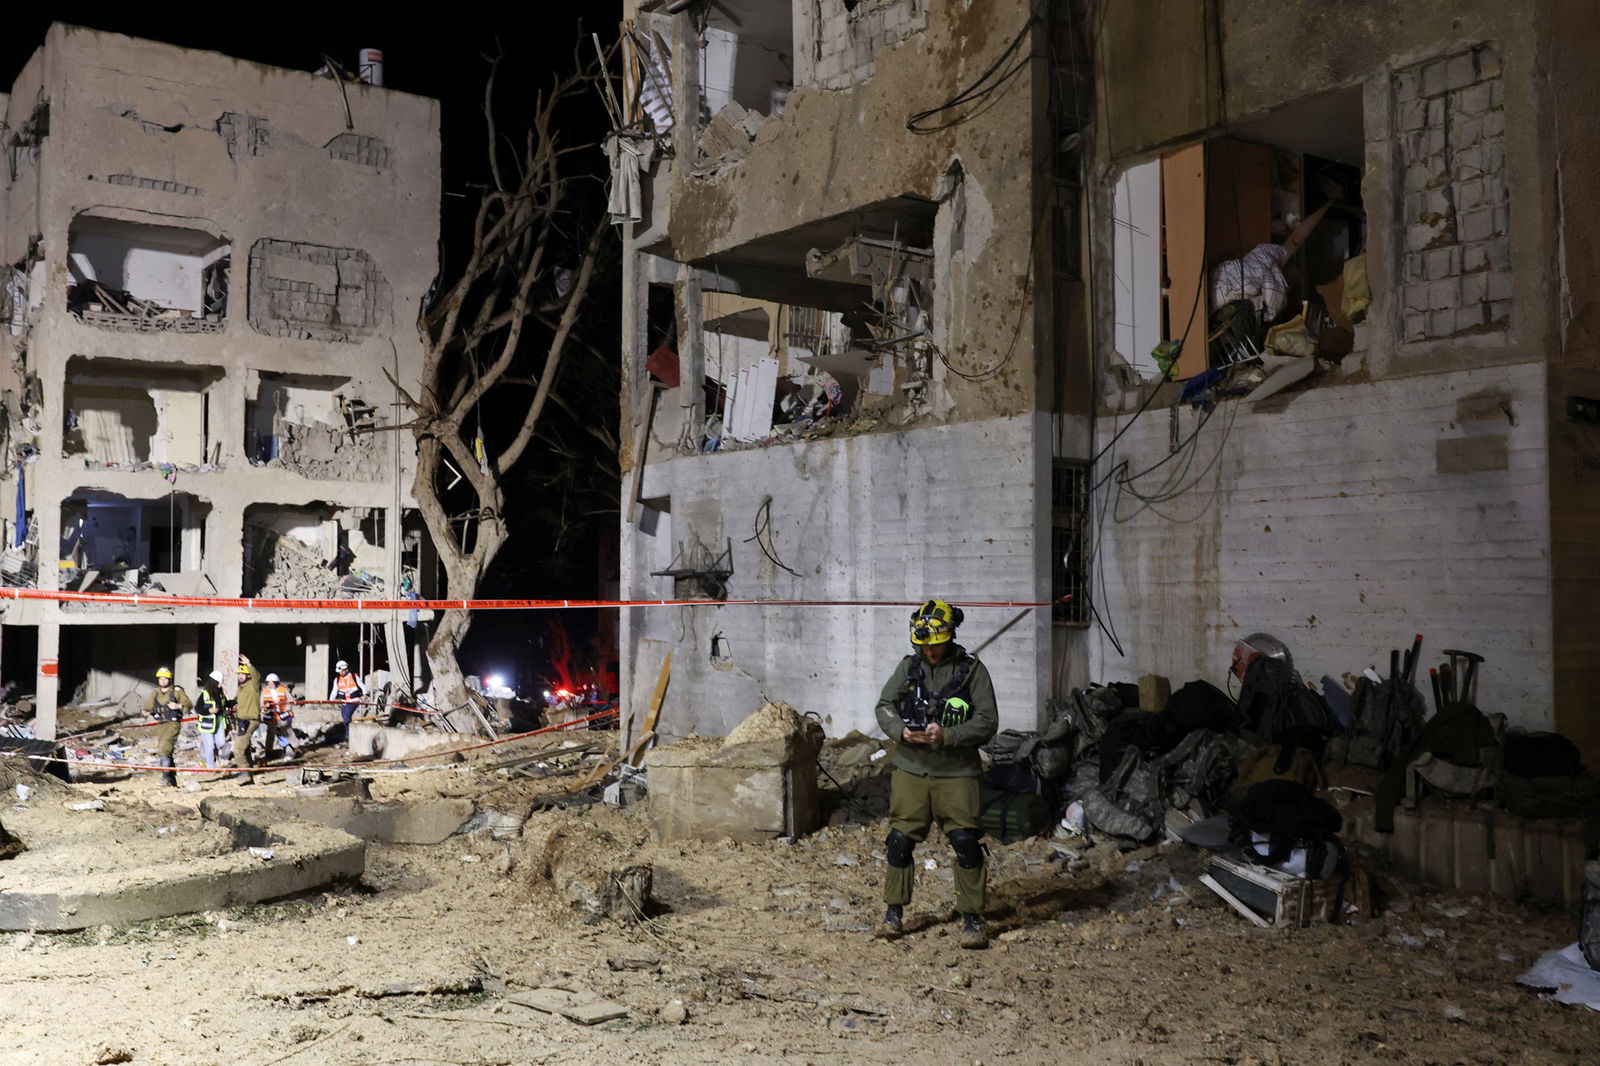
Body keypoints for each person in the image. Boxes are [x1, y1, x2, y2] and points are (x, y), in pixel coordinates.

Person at [872, 599, 998, 948]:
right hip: (911, 769)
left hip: (957, 772)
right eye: (924, 644)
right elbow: (884, 706)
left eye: (936, 643)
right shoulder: (908, 668)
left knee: (965, 841)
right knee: (899, 841)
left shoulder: (972, 672)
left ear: (951, 636)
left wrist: (950, 735)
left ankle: (973, 918)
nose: (930, 650)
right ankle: (893, 914)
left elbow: (988, 721)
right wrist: (901, 731)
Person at [141, 666, 191, 788]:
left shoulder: (177, 691)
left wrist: (178, 706)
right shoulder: (155, 693)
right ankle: (171, 779)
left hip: (173, 724)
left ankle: (165, 777)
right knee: (165, 751)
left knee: (164, 748)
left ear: (170, 679)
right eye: (160, 679)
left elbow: (188, 704)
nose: (163, 681)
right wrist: (145, 712)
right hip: (161, 724)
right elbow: (148, 707)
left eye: (165, 679)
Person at [231, 654, 263, 784]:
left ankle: (244, 773)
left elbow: (257, 676)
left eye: (242, 674)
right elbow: (236, 701)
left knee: (238, 748)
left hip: (250, 719)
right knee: (246, 747)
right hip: (242, 720)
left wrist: (249, 665)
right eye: (238, 674)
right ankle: (249, 772)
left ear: (248, 675)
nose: (240, 676)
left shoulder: (253, 685)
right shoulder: (241, 688)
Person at [194, 670, 229, 771]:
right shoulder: (204, 694)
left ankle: (211, 753)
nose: (221, 684)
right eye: (219, 682)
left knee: (221, 742)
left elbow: (225, 704)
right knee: (209, 746)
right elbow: (198, 708)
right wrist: (209, 710)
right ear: (214, 682)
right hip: (207, 724)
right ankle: (211, 767)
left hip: (219, 722)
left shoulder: (220, 693)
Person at [261, 672, 296, 762]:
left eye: (272, 683)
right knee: (270, 735)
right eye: (268, 683)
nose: (270, 685)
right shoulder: (264, 691)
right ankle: (268, 753)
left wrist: (287, 708)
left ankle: (290, 749)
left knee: (286, 733)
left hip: (283, 716)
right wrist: (264, 709)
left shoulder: (283, 690)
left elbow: (291, 700)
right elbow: (261, 703)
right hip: (271, 717)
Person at [330, 660, 365, 731]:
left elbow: (363, 686)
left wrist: (365, 694)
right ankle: (350, 731)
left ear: (346, 669)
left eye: (342, 671)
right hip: (344, 702)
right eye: (339, 671)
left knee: (346, 716)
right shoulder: (337, 680)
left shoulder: (354, 677)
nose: (340, 673)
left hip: (354, 701)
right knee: (344, 716)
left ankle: (348, 735)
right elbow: (334, 691)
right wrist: (330, 700)